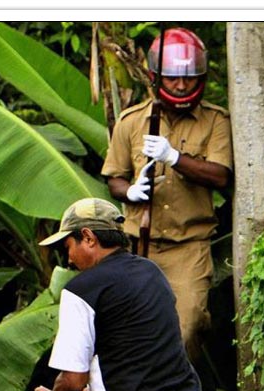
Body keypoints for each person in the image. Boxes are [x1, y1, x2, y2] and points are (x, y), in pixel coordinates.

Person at [25, 197, 216, 391]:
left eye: (68, 246)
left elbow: (72, 380)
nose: (69, 259)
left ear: (89, 238)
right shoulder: (152, 273)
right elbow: (137, 363)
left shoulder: (81, 290)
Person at [101, 27, 233, 364]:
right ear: (155, 76)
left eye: (189, 78)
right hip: (137, 246)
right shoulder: (131, 122)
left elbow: (220, 175)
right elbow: (113, 177)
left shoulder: (215, 121)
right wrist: (130, 192)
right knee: (130, 331)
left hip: (189, 247)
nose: (181, 85)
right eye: (173, 78)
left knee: (187, 326)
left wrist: (175, 158)